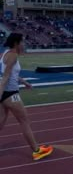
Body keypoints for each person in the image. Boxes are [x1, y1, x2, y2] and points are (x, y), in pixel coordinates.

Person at [0, 33, 53, 161]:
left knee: (0, 123)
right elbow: (6, 77)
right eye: (22, 42)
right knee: (24, 121)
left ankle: (36, 149)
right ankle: (36, 151)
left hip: (4, 93)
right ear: (16, 43)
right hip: (10, 93)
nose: (24, 45)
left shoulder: (5, 54)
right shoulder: (13, 56)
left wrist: (24, 82)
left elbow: (10, 74)